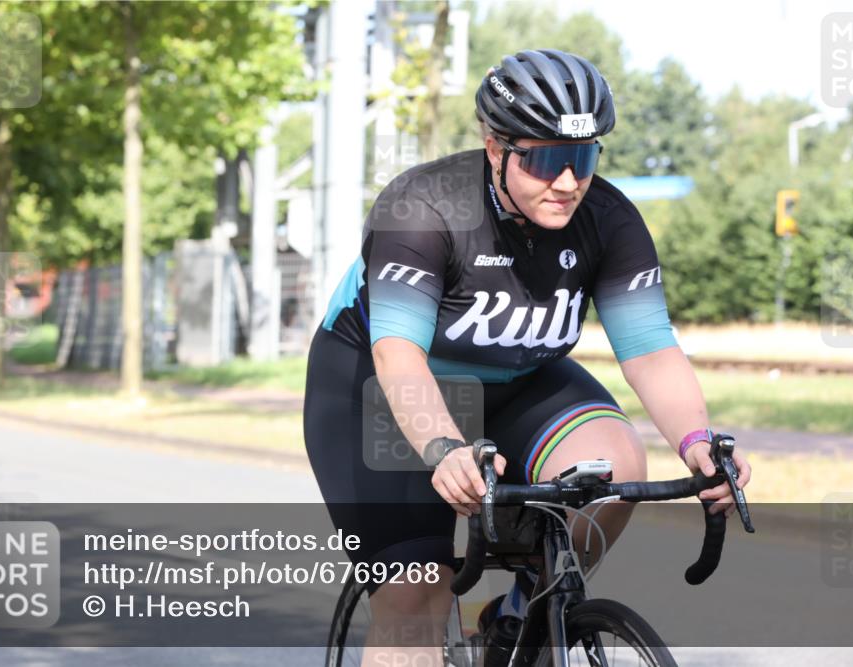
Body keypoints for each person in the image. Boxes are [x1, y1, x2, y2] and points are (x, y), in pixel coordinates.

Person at [303, 49, 751, 665]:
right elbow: (399, 354)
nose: (567, 182)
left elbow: (650, 350)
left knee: (613, 467)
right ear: (495, 147)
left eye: (583, 159)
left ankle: (520, 617)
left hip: (519, 379)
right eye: (544, 160)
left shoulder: (608, 220)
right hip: (382, 386)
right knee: (414, 593)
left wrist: (697, 443)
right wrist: (443, 448)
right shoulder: (423, 208)